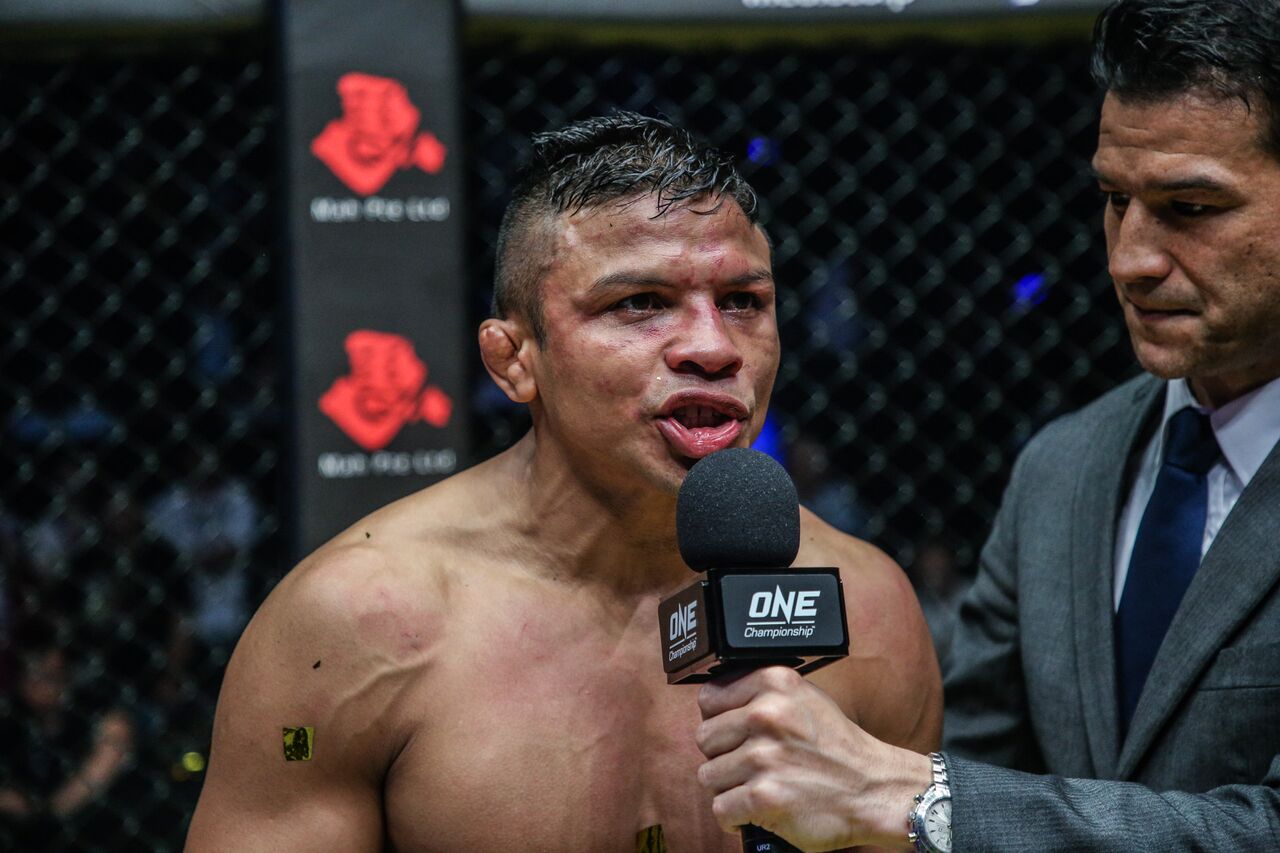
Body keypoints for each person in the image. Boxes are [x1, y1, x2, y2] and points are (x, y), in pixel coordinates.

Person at [185, 112, 941, 852]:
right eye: (639, 303)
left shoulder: (865, 607)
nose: (714, 348)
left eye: (743, 301)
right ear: (514, 359)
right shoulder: (356, 623)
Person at [693, 1, 1280, 849]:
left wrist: (914, 794)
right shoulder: (1061, 470)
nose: (1130, 259)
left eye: (1189, 207)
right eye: (1115, 200)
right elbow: (978, 773)